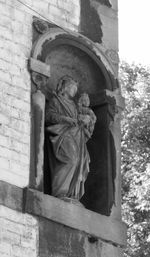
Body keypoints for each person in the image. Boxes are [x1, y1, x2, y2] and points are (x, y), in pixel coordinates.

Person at [45, 75, 91, 201]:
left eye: (76, 88)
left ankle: (72, 194)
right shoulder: (56, 100)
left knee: (78, 163)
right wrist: (66, 119)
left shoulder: (75, 106)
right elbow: (49, 116)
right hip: (63, 134)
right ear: (64, 88)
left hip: (77, 136)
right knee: (70, 160)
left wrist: (83, 121)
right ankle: (60, 192)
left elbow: (78, 120)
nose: (75, 90)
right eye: (72, 87)